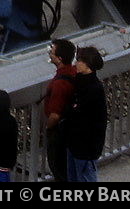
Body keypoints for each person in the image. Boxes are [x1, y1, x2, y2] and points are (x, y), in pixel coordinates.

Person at [65, 46, 107, 182]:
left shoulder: (94, 88)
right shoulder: (80, 81)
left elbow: (89, 118)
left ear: (87, 64)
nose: (76, 63)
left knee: (85, 178)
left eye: (79, 60)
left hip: (86, 147)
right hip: (74, 142)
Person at [45, 37, 76, 181]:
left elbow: (55, 115)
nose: (49, 53)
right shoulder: (75, 73)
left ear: (59, 59)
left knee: (59, 168)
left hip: (60, 132)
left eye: (52, 52)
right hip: (72, 128)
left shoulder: (59, 84)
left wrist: (48, 128)